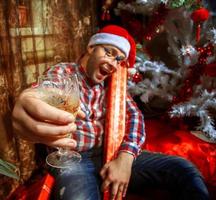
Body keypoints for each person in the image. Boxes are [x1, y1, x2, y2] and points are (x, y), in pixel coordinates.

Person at [12, 25, 209, 200]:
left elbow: (135, 117)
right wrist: (32, 96)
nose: (113, 63)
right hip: (74, 159)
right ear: (91, 48)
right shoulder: (64, 73)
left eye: (119, 60)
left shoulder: (112, 87)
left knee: (184, 170)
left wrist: (125, 158)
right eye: (109, 52)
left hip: (111, 154)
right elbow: (47, 89)